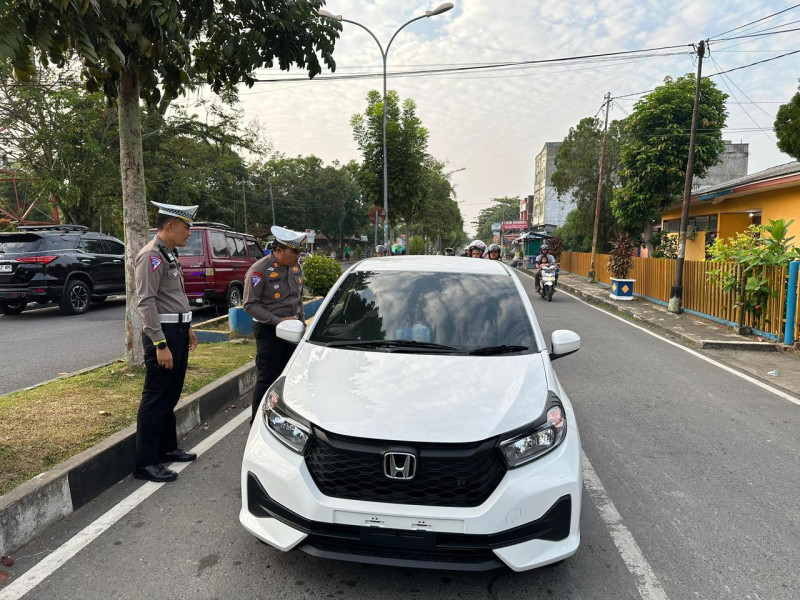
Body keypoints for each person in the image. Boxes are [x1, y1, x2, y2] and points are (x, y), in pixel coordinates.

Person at [133, 201, 200, 483]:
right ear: (170, 226)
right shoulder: (151, 255)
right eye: (186, 227)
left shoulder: (168, 253)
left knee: (170, 394)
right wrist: (160, 344)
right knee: (156, 396)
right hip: (163, 335)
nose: (189, 233)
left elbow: (174, 296)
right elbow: (146, 301)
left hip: (178, 331)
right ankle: (146, 463)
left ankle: (167, 448)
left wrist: (188, 327)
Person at [244, 225, 307, 424]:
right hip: (269, 330)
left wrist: (302, 322)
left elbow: (297, 299)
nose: (297, 255)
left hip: (293, 331)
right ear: (279, 250)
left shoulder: (296, 267)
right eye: (294, 251)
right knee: (267, 378)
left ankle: (280, 420)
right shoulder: (259, 270)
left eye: (299, 251)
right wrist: (278, 322)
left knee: (287, 377)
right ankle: (257, 422)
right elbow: (249, 304)